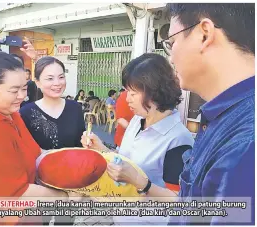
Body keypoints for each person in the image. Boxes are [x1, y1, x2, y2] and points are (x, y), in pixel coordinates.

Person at [161, 3, 255, 225]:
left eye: (172, 43)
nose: (171, 57)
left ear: (204, 34)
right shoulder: (225, 117)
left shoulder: (246, 141)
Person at [81, 53, 194, 225]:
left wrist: (141, 182)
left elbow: (178, 200)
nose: (127, 100)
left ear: (155, 92)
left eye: (133, 93)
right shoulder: (137, 121)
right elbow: (124, 160)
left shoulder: (178, 139)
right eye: (127, 92)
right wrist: (101, 148)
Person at [0, 52, 68, 225]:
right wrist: (65, 197)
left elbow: (37, 152)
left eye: (23, 88)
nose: (22, 96)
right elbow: (17, 194)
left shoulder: (9, 113)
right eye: (14, 90)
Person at [19, 56, 85, 225]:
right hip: (40, 186)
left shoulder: (75, 108)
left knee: (65, 222)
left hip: (70, 185)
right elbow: (25, 151)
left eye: (61, 76)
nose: (57, 83)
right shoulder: (26, 113)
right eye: (49, 78)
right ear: (38, 82)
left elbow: (80, 145)